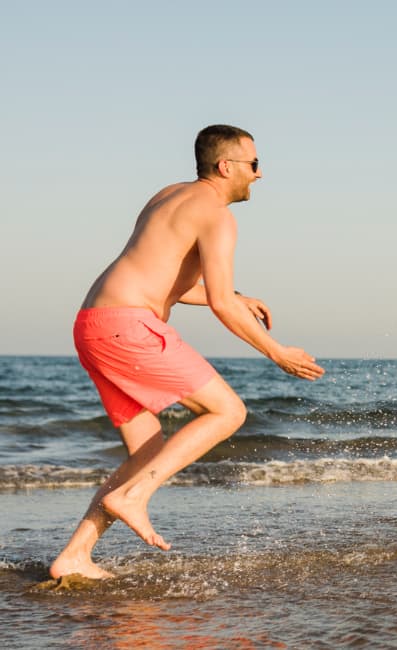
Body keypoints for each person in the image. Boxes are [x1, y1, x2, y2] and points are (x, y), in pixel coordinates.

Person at [49, 125, 325, 580]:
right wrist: (277, 353)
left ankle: (76, 554)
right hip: (127, 326)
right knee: (228, 412)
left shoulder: (168, 195)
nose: (259, 174)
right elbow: (218, 305)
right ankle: (134, 497)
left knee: (148, 451)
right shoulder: (217, 216)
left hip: (92, 325)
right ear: (226, 167)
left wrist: (237, 295)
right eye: (254, 164)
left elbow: (165, 276)